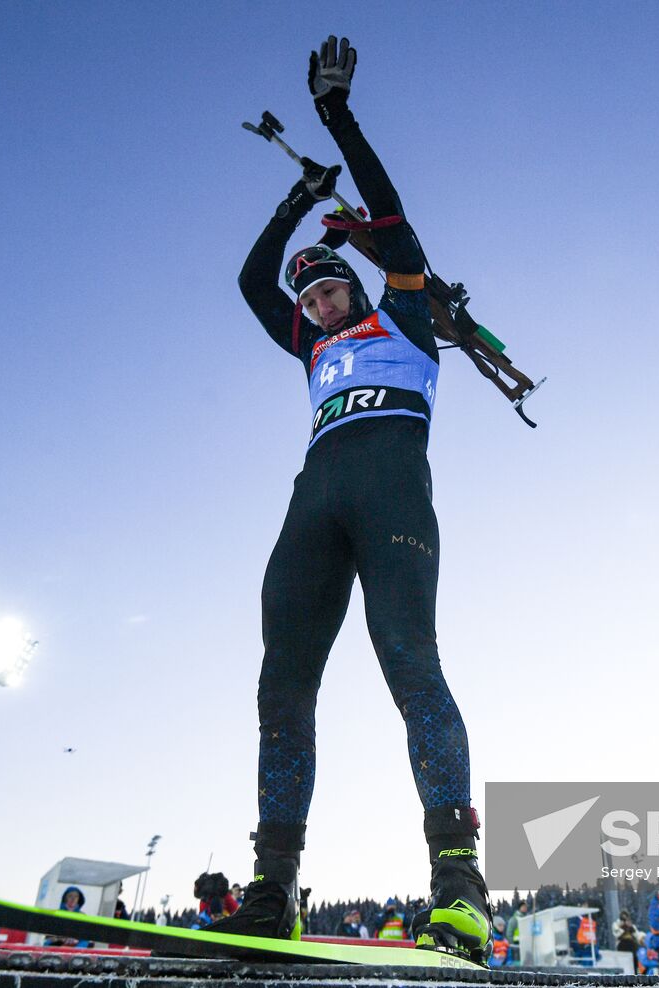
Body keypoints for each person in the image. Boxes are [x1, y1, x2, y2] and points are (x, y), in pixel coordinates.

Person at [218, 34, 488, 965]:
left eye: (328, 283)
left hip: (393, 500)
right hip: (315, 503)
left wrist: (337, 116)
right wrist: (295, 202)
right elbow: (250, 281)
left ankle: (458, 887)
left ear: (355, 285)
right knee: (281, 687)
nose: (318, 299)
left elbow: (392, 215)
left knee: (412, 668)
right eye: (310, 294)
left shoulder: (407, 316)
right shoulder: (311, 351)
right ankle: (276, 886)